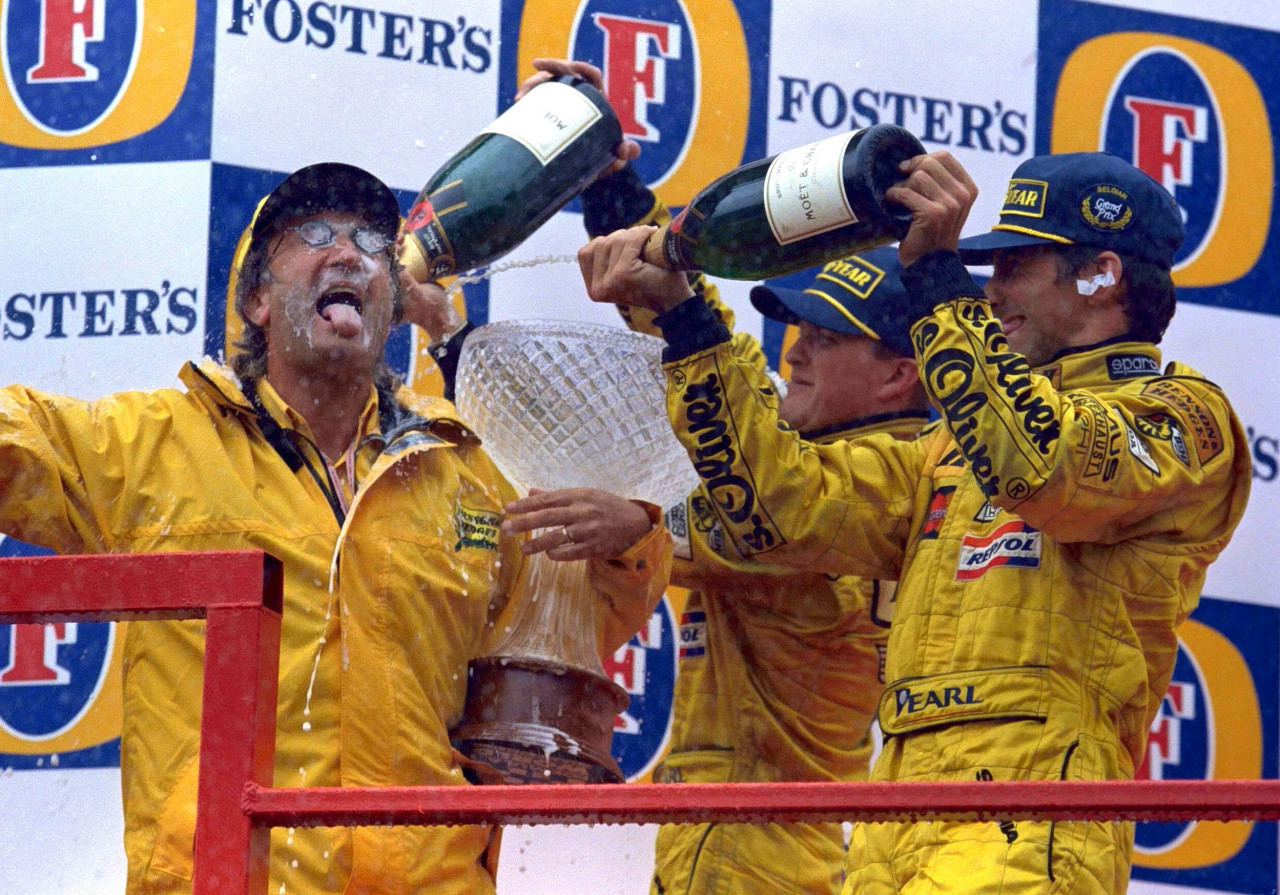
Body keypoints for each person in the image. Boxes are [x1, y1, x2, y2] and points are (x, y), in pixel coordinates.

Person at [578, 149, 1251, 893]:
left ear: (1101, 276)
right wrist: (684, 315)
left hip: (1027, 823)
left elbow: (1042, 462)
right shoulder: (940, 450)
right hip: (891, 825)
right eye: (984, 271)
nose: (992, 290)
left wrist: (937, 281)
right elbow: (777, 505)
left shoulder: (1183, 419)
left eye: (1015, 266)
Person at [0, 161, 671, 895]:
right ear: (257, 297)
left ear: (392, 304)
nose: (349, 252)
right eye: (314, 234)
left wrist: (628, 537)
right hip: (228, 879)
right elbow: (16, 447)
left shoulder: (468, 470)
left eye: (373, 242)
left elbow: (573, 622)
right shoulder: (157, 444)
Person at [471, 57, 927, 894]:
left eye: (828, 336)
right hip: (731, 844)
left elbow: (738, 504)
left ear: (900, 375)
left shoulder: (880, 481)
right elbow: (715, 372)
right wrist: (608, 181)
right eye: (798, 327)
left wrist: (641, 523)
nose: (800, 351)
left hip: (767, 860)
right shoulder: (818, 456)